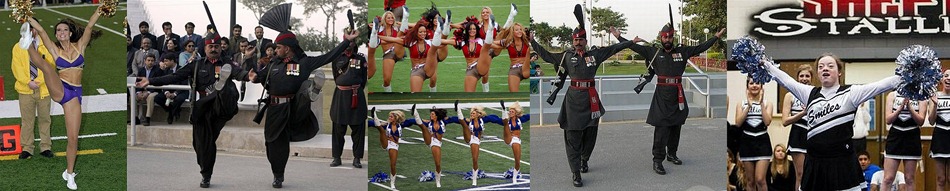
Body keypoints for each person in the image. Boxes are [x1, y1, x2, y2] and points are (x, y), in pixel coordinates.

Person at [529, 5, 634, 186]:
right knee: (573, 136)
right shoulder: (566, 56)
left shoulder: (595, 55)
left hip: (591, 100)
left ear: (585, 41)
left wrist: (630, 42)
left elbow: (613, 50)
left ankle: (585, 159)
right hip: (573, 101)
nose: (578, 42)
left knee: (590, 135)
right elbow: (546, 56)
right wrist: (533, 41)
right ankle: (576, 171)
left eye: (581, 40)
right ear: (573, 40)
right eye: (576, 40)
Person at [763, 53, 900, 190]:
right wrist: (764, 63)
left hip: (842, 162)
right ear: (817, 73)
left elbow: (882, 85)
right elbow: (785, 80)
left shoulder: (851, 93)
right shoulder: (809, 93)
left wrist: (908, 74)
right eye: (821, 67)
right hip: (815, 163)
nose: (825, 69)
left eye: (830, 66)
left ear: (839, 72)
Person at [245, 27, 358, 187]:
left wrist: (346, 41)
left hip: (294, 108)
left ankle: (311, 91)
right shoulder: (273, 64)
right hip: (274, 109)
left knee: (283, 141)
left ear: (287, 48)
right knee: (271, 144)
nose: (275, 50)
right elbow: (257, 77)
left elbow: (328, 56)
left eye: (278, 47)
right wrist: (250, 62)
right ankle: (277, 169)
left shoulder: (303, 63)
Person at [613, 23, 724, 175]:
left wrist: (715, 38)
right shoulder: (653, 51)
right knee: (662, 127)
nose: (667, 39)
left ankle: (672, 154)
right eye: (665, 37)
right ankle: (657, 160)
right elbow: (634, 48)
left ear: (673, 37)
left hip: (677, 94)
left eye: (670, 36)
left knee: (676, 125)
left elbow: (700, 48)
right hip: (662, 96)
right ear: (661, 37)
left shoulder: (682, 51)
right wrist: (619, 37)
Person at [135, 33, 242, 188]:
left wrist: (249, 75)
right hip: (202, 106)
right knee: (199, 143)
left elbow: (240, 73)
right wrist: (151, 80)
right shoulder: (196, 65)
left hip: (220, 108)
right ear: (205, 48)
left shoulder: (227, 64)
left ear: (220, 48)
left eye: (216, 46)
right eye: (210, 46)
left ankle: (206, 175)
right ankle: (205, 167)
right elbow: (175, 77)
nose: (213, 49)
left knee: (207, 140)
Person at [23, 4, 105, 189]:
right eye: (58, 30)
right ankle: (27, 43)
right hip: (60, 89)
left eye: (64, 30)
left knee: (73, 138)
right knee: (46, 67)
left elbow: (90, 27)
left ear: (70, 33)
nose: (61, 32)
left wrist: (100, 10)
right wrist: (25, 16)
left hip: (75, 94)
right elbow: (42, 31)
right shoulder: (54, 49)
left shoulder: (80, 47)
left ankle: (69, 174)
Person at [12, 22, 55, 159]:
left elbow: (51, 65)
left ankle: (45, 146)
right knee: (27, 120)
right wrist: (27, 82)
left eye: (33, 29)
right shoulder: (18, 47)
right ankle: (27, 148)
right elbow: (16, 67)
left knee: (45, 119)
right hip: (25, 89)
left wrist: (40, 81)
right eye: (28, 29)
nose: (31, 31)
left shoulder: (44, 46)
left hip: (43, 88)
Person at [375, 17, 446, 92]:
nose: (423, 34)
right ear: (416, 32)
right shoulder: (411, 42)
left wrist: (455, 41)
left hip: (428, 68)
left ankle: (438, 31)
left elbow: (444, 42)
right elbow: (394, 39)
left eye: (424, 32)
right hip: (417, 71)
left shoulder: (429, 42)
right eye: (421, 32)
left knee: (433, 49)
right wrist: (377, 37)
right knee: (415, 95)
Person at [328, 38, 368, 169]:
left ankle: (357, 158)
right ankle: (336, 157)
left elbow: (363, 79)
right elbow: (335, 77)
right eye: (347, 43)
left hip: (356, 96)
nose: (349, 46)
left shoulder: (361, 59)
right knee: (338, 128)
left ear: (355, 45)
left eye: (351, 43)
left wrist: (354, 88)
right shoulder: (337, 59)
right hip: (341, 96)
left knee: (358, 129)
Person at [882, 90, 926, 191]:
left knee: (909, 178)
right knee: (888, 178)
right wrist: (900, 108)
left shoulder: (921, 95)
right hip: (895, 137)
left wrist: (910, 108)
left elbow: (921, 121)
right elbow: (888, 120)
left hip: (912, 137)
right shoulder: (892, 95)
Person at [735, 78, 773, 191]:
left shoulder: (767, 103)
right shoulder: (741, 103)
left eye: (757, 83)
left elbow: (767, 122)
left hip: (763, 142)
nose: (754, 85)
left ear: (762, 86)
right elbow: (738, 123)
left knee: (760, 179)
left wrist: (761, 104)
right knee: (750, 180)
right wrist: (748, 106)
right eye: (751, 83)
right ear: (747, 86)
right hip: (747, 142)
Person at [408, 105, 458, 188]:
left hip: (437, 143)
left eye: (432, 114)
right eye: (430, 114)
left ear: (437, 116)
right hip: (430, 141)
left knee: (438, 164)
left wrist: (462, 118)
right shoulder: (428, 122)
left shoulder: (443, 122)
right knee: (423, 127)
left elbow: (454, 119)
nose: (431, 116)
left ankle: (438, 181)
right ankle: (415, 113)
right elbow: (414, 121)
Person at [781, 64, 812, 190]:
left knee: (813, 174)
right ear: (797, 78)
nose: (804, 78)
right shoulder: (790, 95)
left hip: (813, 135)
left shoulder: (816, 93)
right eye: (802, 76)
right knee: (800, 174)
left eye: (807, 76)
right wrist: (802, 113)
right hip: (797, 135)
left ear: (812, 78)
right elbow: (784, 121)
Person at [368, 108, 410, 189]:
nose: (389, 118)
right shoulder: (386, 125)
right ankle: (374, 116)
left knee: (393, 165)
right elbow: (375, 124)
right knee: (381, 130)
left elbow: (410, 122)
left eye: (391, 117)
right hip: (386, 143)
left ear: (396, 118)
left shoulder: (401, 125)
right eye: (389, 117)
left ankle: (392, 182)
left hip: (394, 145)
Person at [455, 103, 492, 186]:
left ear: (478, 115)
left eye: (473, 113)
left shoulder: (482, 120)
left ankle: (474, 179)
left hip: (476, 141)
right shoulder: (469, 121)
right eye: (471, 113)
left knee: (475, 160)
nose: (471, 114)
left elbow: (493, 118)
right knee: (464, 124)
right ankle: (458, 109)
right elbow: (455, 119)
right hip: (469, 138)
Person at [367, 11, 404, 92]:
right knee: (387, 80)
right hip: (388, 54)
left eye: (392, 18)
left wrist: (381, 39)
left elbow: (401, 39)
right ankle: (388, 91)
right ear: (384, 19)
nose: (391, 19)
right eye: (388, 18)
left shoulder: (396, 27)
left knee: (401, 37)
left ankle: (406, 18)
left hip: (398, 50)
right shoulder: (380, 28)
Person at [929, 69, 950, 191]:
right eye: (946, 76)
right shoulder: (935, 96)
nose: (948, 78)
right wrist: (936, 104)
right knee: (940, 179)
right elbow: (931, 121)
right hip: (940, 137)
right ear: (941, 80)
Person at [155, 53, 189, 124]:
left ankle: (171, 115)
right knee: (157, 98)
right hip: (169, 90)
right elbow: (162, 82)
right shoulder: (165, 70)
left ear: (172, 61)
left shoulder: (182, 69)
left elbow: (184, 84)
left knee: (178, 99)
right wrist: (166, 92)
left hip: (181, 91)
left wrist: (175, 93)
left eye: (166, 61)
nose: (164, 63)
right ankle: (171, 110)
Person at [135, 53, 165, 126]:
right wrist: (138, 92)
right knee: (132, 97)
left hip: (154, 91)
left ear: (154, 62)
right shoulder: (141, 70)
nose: (150, 62)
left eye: (152, 60)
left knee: (150, 97)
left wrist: (148, 92)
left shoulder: (158, 70)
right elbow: (137, 82)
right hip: (142, 90)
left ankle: (148, 118)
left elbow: (158, 84)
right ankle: (135, 118)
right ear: (145, 61)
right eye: (148, 60)